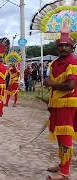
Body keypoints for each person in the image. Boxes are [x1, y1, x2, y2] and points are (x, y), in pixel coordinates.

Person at [44, 33, 77, 180]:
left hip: (67, 104)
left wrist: (51, 84)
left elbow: (70, 85)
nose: (63, 48)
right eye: (60, 46)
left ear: (72, 47)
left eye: (66, 45)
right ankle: (62, 164)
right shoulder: (56, 63)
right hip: (57, 104)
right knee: (59, 135)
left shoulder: (73, 62)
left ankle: (64, 172)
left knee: (65, 136)